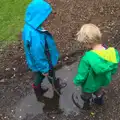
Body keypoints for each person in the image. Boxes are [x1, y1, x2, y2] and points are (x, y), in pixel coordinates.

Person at [22, 0, 65, 101]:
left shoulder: (29, 26)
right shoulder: (35, 36)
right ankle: (55, 85)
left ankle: (37, 88)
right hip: (44, 61)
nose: (46, 19)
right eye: (45, 17)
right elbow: (38, 54)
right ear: (37, 17)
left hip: (36, 61)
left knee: (38, 74)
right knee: (48, 72)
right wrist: (44, 68)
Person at [73, 24, 119, 110]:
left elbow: (82, 74)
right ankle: (99, 100)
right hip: (102, 80)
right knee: (99, 90)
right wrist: (110, 73)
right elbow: (114, 67)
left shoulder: (87, 58)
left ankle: (86, 104)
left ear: (87, 43)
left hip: (89, 84)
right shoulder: (112, 52)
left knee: (86, 94)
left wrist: (76, 81)